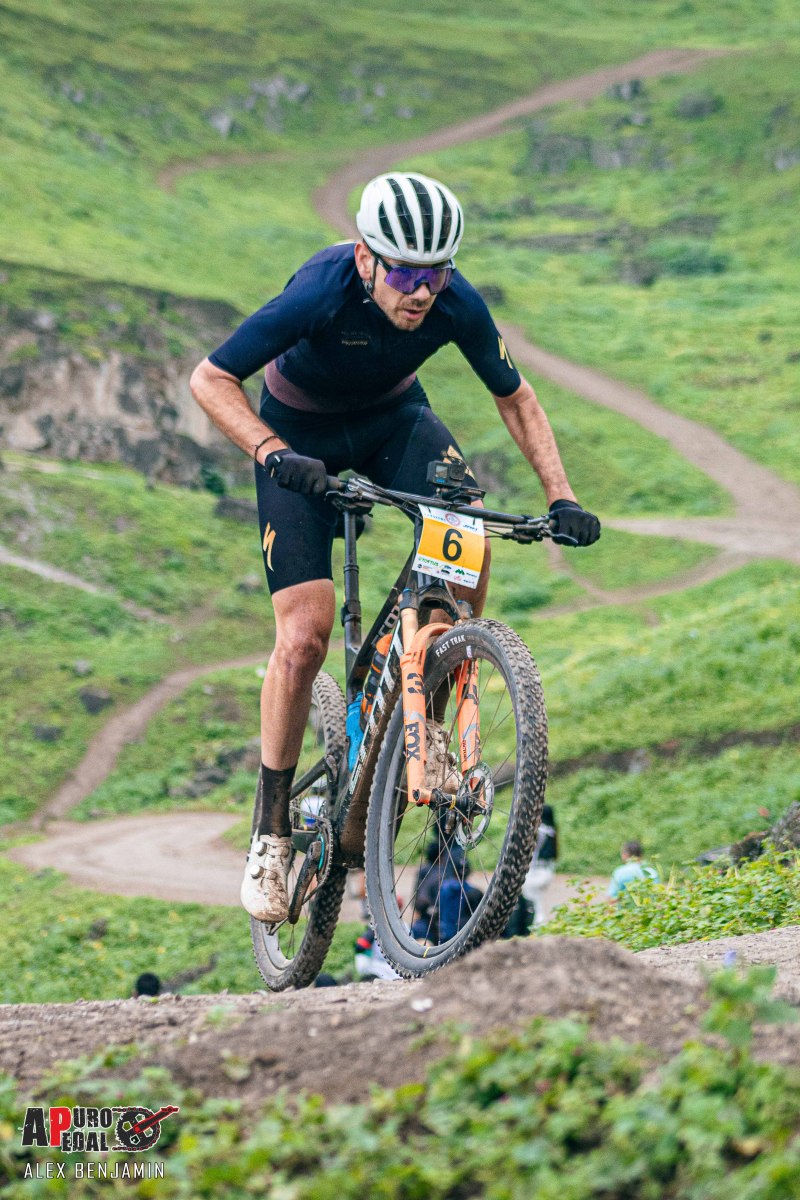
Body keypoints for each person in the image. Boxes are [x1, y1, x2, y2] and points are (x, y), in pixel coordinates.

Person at [190, 171, 601, 924]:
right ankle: (271, 833)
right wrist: (273, 452)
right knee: (305, 634)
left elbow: (515, 396)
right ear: (365, 258)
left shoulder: (454, 302)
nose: (421, 292)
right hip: (299, 435)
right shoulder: (321, 291)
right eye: (406, 274)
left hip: (393, 423)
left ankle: (429, 720)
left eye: (436, 274)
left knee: (466, 534)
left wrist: (562, 497)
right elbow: (211, 378)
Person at [521, 802, 558, 926]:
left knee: (532, 900)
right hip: (547, 872)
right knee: (537, 899)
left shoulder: (541, 831)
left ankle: (537, 923)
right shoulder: (553, 831)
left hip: (536, 872)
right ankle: (538, 922)